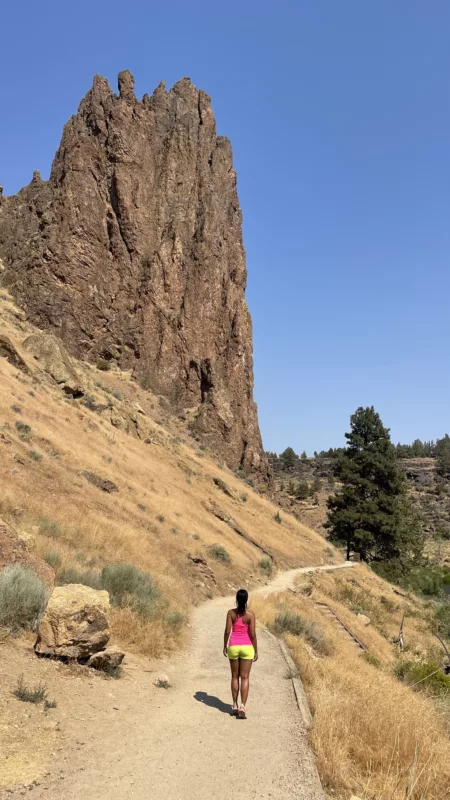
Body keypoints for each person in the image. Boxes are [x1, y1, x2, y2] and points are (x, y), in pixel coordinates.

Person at [223, 588, 258, 719]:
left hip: (233, 646)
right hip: (247, 647)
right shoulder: (250, 615)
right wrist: (256, 650)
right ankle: (243, 706)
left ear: (237, 599)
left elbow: (227, 631)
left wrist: (225, 645)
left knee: (234, 677)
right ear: (246, 599)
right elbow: (253, 634)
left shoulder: (231, 613)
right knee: (245, 677)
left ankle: (234, 705)